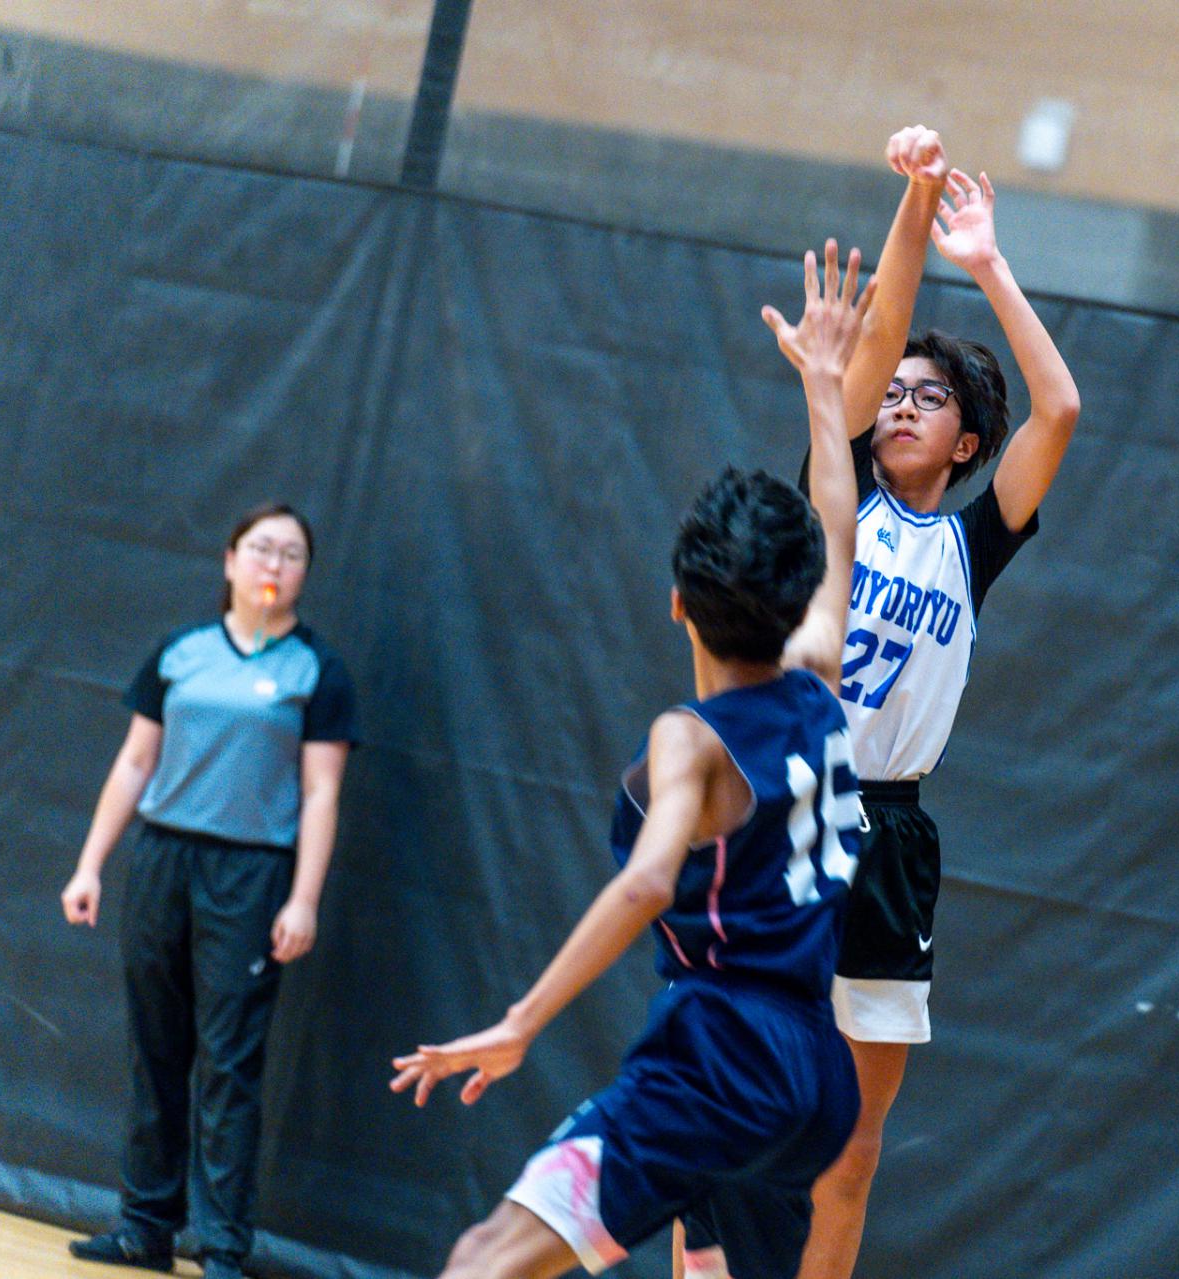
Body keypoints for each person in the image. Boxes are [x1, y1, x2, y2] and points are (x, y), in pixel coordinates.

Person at [389, 240, 875, 1279]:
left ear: (675, 603)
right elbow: (837, 523)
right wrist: (826, 390)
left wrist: (520, 1022)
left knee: (484, 1258)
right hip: (814, 1074)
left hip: (722, 1055)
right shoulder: (819, 674)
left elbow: (651, 877)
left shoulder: (688, 737)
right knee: (704, 1262)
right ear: (794, 603)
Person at [795, 164, 1083, 1279]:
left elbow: (1057, 408)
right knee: (744, 1095)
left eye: (930, 397)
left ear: (968, 443)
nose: (903, 404)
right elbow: (873, 346)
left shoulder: (969, 545)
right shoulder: (839, 487)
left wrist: (991, 262)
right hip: (793, 803)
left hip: (892, 833)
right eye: (896, 393)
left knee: (853, 1143)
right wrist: (915, 201)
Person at [60, 503, 358, 1279]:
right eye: (261, 547)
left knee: (229, 1061)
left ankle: (222, 1244)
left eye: (292, 553)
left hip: (252, 875)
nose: (275, 563)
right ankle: (143, 1228)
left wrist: (303, 898)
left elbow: (322, 792)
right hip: (164, 860)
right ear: (229, 559)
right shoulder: (181, 653)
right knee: (156, 1047)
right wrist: (91, 862)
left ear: (304, 574)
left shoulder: (316, 672)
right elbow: (134, 763)